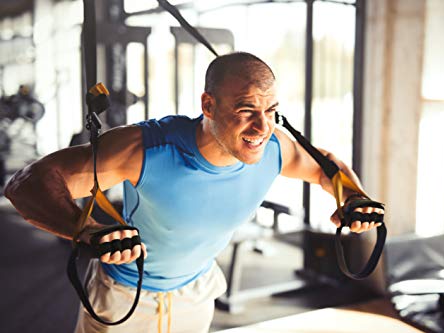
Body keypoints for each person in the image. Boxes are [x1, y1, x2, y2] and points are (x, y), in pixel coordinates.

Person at [5, 52, 383, 333]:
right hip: (126, 298)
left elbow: (326, 166)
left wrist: (352, 197)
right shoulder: (148, 147)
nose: (262, 126)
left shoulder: (275, 148)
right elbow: (28, 183)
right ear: (208, 105)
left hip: (197, 292)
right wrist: (84, 231)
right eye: (246, 109)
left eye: (271, 111)